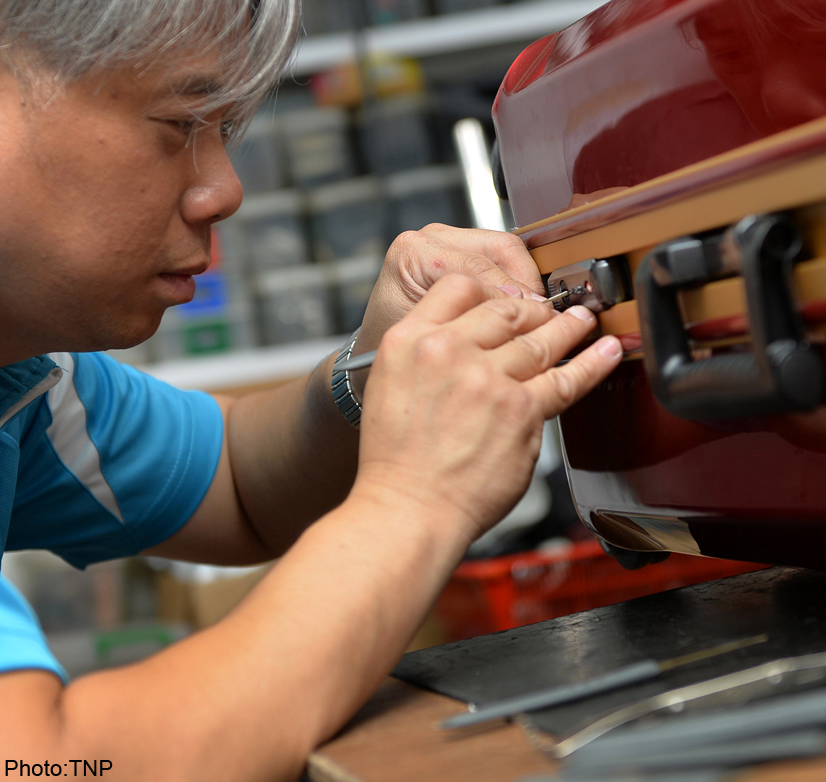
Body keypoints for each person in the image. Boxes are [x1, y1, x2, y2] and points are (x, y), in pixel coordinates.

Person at [0, 1, 622, 779]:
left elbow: (233, 482)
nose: (224, 189)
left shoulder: (24, 381)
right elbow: (41, 766)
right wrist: (417, 502)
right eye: (179, 125)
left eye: (224, 133)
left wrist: (378, 364)